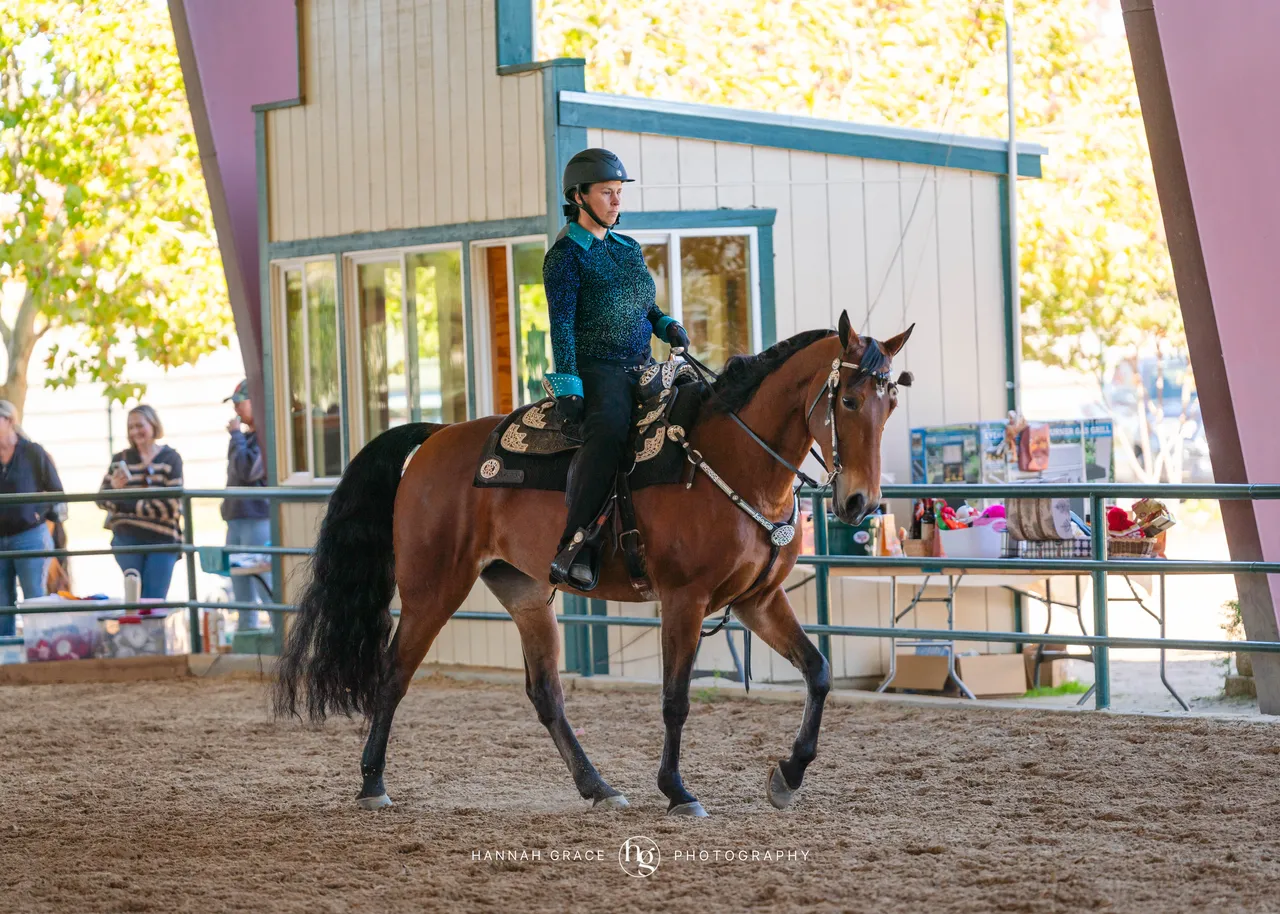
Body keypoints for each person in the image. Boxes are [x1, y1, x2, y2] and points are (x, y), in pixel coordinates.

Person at [542, 148, 691, 590]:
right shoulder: (565, 256)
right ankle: (578, 542)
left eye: (619, 192)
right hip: (599, 369)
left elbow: (644, 306)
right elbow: (562, 327)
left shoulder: (627, 248)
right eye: (607, 192)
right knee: (607, 433)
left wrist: (665, 324)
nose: (616, 201)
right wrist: (570, 385)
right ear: (579, 196)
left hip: (643, 363)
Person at [98, 405, 184, 600]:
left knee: (153, 599)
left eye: (139, 425)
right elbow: (102, 499)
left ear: (153, 425)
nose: (135, 431)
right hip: (127, 539)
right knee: (134, 597)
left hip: (162, 539)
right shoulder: (121, 459)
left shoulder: (171, 459)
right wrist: (114, 488)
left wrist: (126, 504)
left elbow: (170, 506)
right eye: (130, 427)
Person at [0, 400, 65, 633]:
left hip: (29, 537)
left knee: (34, 598)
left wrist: (37, 511)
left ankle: (39, 649)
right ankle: (5, 657)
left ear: (9, 421)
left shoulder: (33, 452)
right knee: (2, 604)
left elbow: (57, 492)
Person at [222, 379, 271, 629]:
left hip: (256, 517)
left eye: (240, 403)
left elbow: (247, 470)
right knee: (239, 582)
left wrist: (235, 436)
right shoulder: (247, 437)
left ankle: (279, 635)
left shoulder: (264, 436)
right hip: (237, 518)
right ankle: (246, 635)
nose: (237, 410)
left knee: (263, 577)